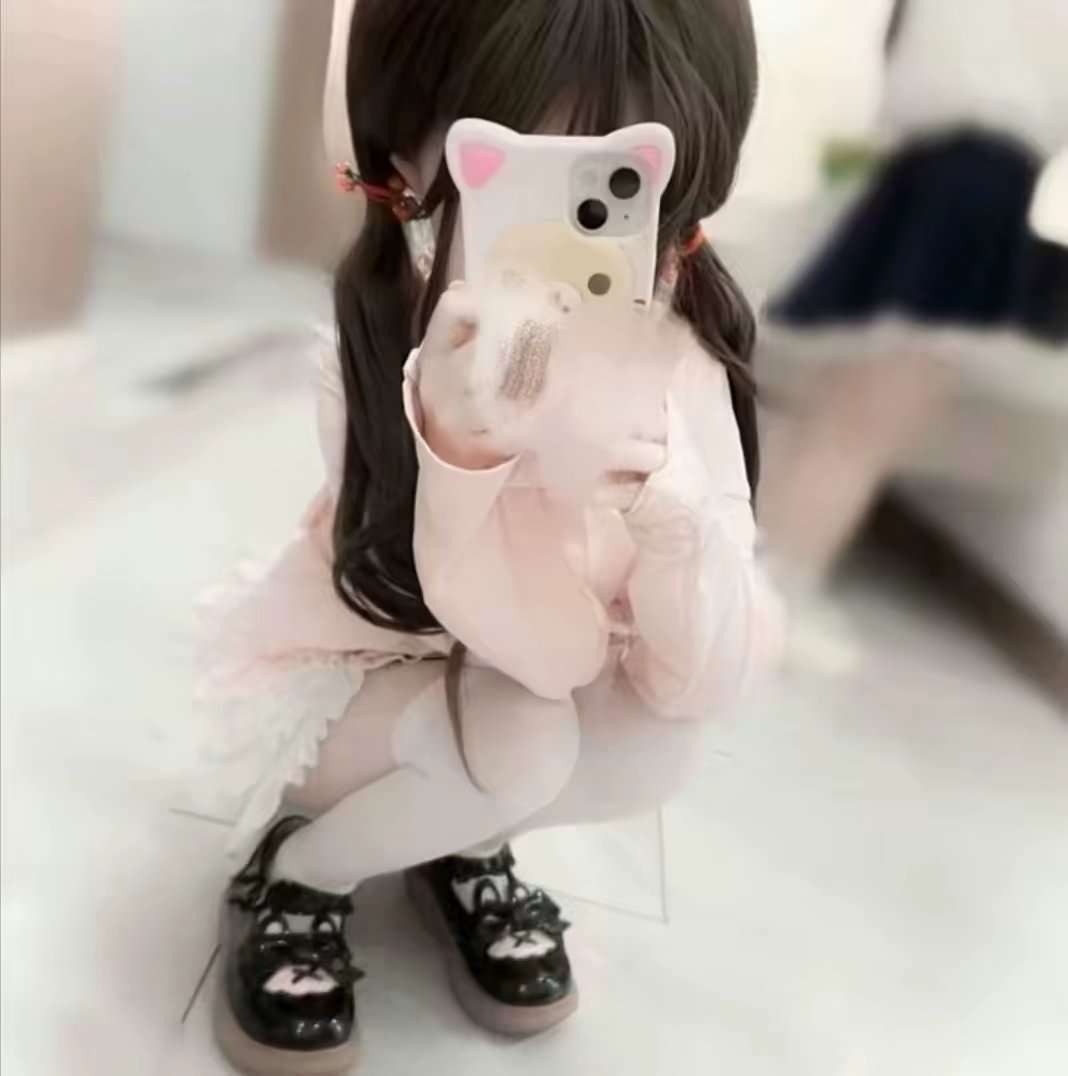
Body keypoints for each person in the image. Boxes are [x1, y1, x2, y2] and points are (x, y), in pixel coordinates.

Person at [202, 2, 781, 1072]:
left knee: (652, 742)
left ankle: (458, 839)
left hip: (507, 678)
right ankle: (300, 871)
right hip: (365, 674)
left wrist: (673, 521)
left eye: (618, 178)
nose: (570, 218)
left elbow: (697, 674)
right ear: (418, 163)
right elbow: (535, 654)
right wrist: (465, 458)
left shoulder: (684, 362)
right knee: (522, 737)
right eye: (521, 169)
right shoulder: (385, 345)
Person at [760, 0, 1068, 592]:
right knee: (866, 421)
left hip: (924, 172)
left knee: (839, 408)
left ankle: (763, 569)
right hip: (976, 187)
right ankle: (778, 582)